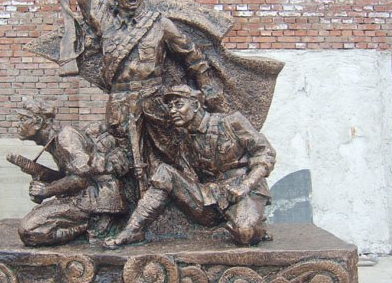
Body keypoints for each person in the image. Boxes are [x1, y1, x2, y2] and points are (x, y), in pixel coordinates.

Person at [50, 0, 223, 194]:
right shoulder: (105, 23)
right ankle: (127, 204)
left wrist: (207, 86)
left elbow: (192, 56)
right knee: (124, 158)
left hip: (153, 99)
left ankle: (190, 194)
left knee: (168, 152)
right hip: (120, 101)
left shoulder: (159, 24)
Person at [104, 85, 276, 248]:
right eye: (170, 107)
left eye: (178, 104)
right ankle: (133, 230)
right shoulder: (184, 139)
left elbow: (265, 154)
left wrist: (246, 185)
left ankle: (254, 225)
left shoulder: (231, 122)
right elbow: (185, 176)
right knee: (165, 173)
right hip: (210, 196)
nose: (172, 111)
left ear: (195, 105)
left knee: (245, 234)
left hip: (243, 191)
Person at [7, 100, 130, 246]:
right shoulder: (52, 142)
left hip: (93, 201)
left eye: (23, 119)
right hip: (82, 197)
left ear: (38, 122)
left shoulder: (66, 137)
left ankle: (93, 225)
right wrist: (39, 171)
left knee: (29, 231)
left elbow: (82, 178)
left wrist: (47, 190)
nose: (17, 124)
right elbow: (69, 176)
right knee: (32, 228)